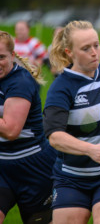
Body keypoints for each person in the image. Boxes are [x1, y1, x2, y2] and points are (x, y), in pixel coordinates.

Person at [42, 20, 100, 224]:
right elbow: (55, 137)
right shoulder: (61, 88)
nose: (94, 52)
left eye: (96, 45)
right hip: (71, 178)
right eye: (86, 48)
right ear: (69, 52)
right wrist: (90, 150)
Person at [0, 31, 56, 224]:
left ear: (13, 56)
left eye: (1, 57)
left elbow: (10, 130)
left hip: (32, 167)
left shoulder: (20, 82)